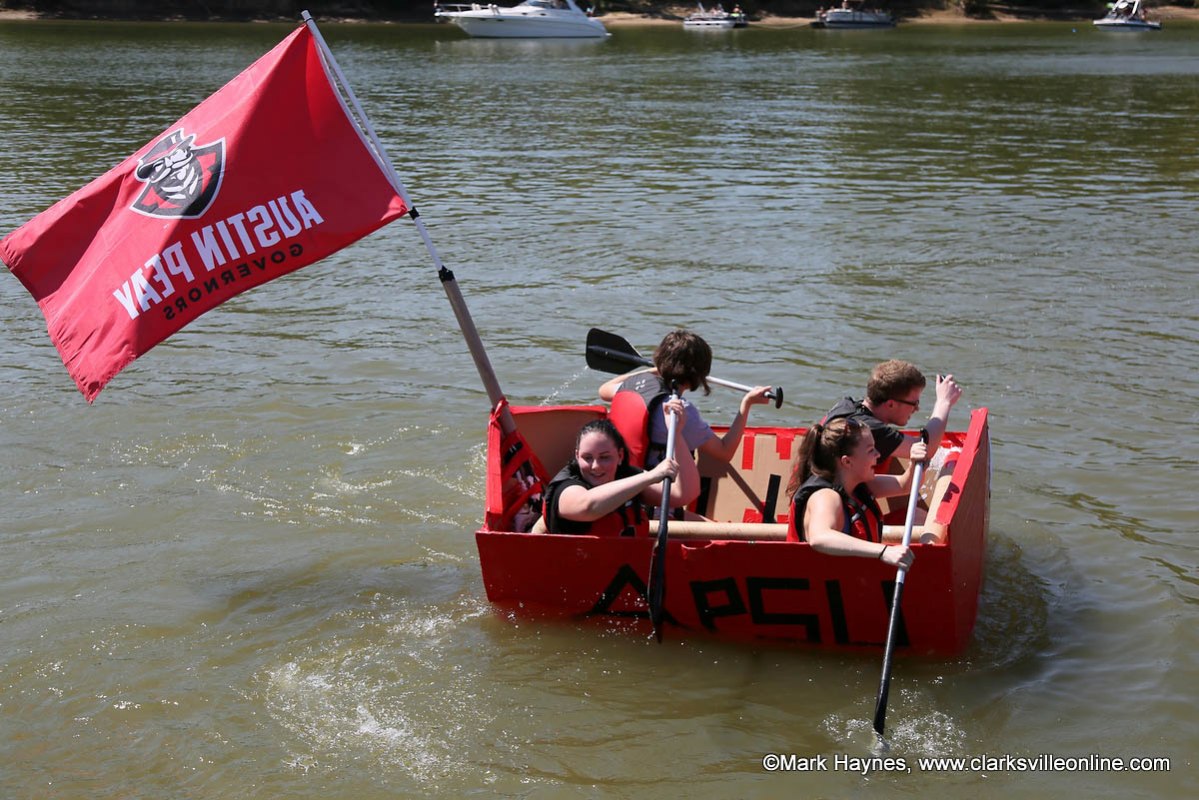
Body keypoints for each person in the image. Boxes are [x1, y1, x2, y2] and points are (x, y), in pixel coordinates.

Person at [597, 329, 774, 468]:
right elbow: (725, 452)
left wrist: (654, 370)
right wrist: (746, 404)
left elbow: (604, 390)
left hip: (621, 478)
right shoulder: (679, 411)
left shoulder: (632, 387)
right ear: (698, 375)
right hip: (653, 492)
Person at [785, 417, 934, 566]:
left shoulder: (858, 485)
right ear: (847, 461)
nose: (878, 454)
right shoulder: (825, 497)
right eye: (870, 450)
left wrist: (914, 463)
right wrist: (883, 551)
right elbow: (820, 537)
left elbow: (905, 485)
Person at [541, 401, 699, 536]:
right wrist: (651, 476)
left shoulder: (627, 476)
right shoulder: (565, 487)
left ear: (620, 455)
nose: (595, 466)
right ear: (577, 456)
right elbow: (588, 507)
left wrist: (676, 433)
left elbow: (683, 494)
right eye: (587, 458)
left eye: (605, 457)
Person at [823, 359, 962, 467]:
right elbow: (926, 449)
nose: (917, 409)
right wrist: (944, 402)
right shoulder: (869, 430)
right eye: (914, 403)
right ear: (890, 404)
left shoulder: (845, 405)